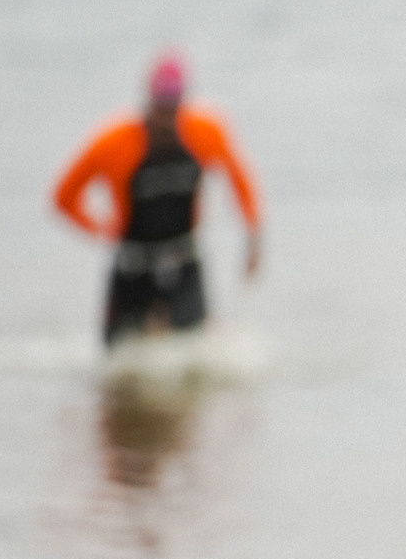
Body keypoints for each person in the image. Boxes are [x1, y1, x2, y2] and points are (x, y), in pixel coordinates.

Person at [51, 54, 264, 345]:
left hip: (184, 259)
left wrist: (253, 238)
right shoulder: (114, 142)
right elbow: (63, 197)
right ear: (148, 100)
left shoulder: (205, 132)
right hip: (132, 265)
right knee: (117, 360)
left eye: (173, 107)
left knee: (194, 354)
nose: (167, 115)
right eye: (161, 106)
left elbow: (240, 181)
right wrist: (100, 228)